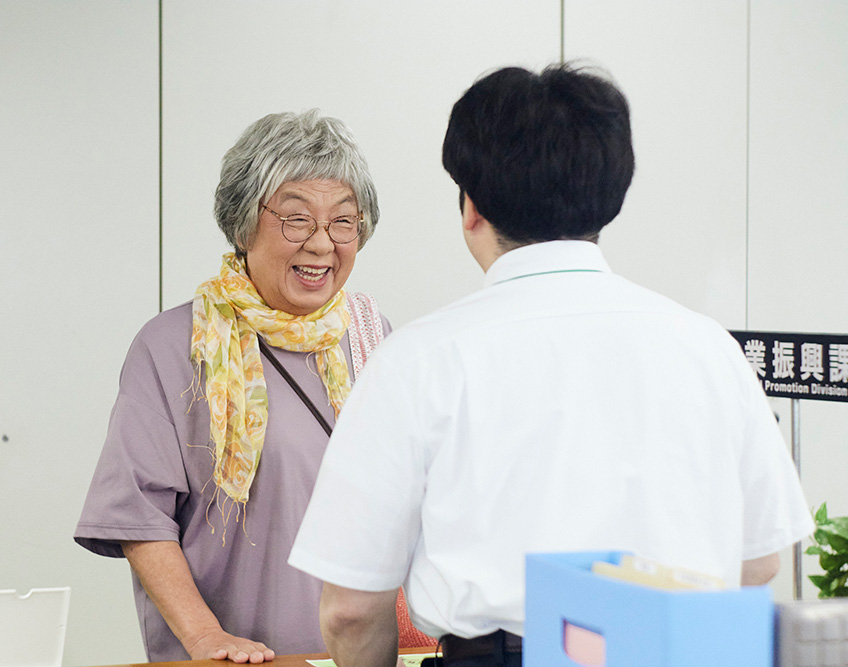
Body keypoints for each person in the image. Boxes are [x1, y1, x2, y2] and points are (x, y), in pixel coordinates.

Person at [288, 64, 814, 667]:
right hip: (684, 652)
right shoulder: (710, 349)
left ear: (472, 207)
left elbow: (351, 609)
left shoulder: (416, 361)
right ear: (608, 197)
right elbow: (761, 561)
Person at [74, 109, 418, 663]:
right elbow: (139, 518)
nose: (323, 244)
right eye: (297, 219)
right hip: (237, 660)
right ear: (243, 222)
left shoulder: (372, 338)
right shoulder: (173, 346)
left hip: (355, 656)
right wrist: (206, 639)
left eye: (344, 221)